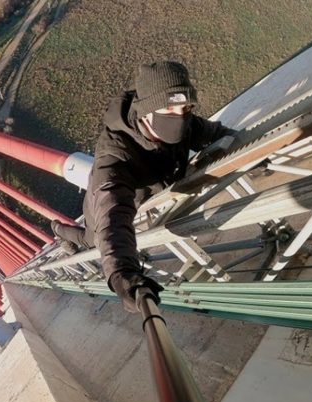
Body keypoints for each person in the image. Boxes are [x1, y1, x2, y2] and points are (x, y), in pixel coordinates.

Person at [51, 61, 235, 312]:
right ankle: (59, 230)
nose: (180, 117)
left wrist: (247, 145)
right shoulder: (115, 156)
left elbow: (216, 133)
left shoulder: (183, 122)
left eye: (187, 107)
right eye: (170, 109)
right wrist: (123, 274)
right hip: (106, 204)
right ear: (145, 111)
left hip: (150, 189)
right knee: (90, 240)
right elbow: (112, 220)